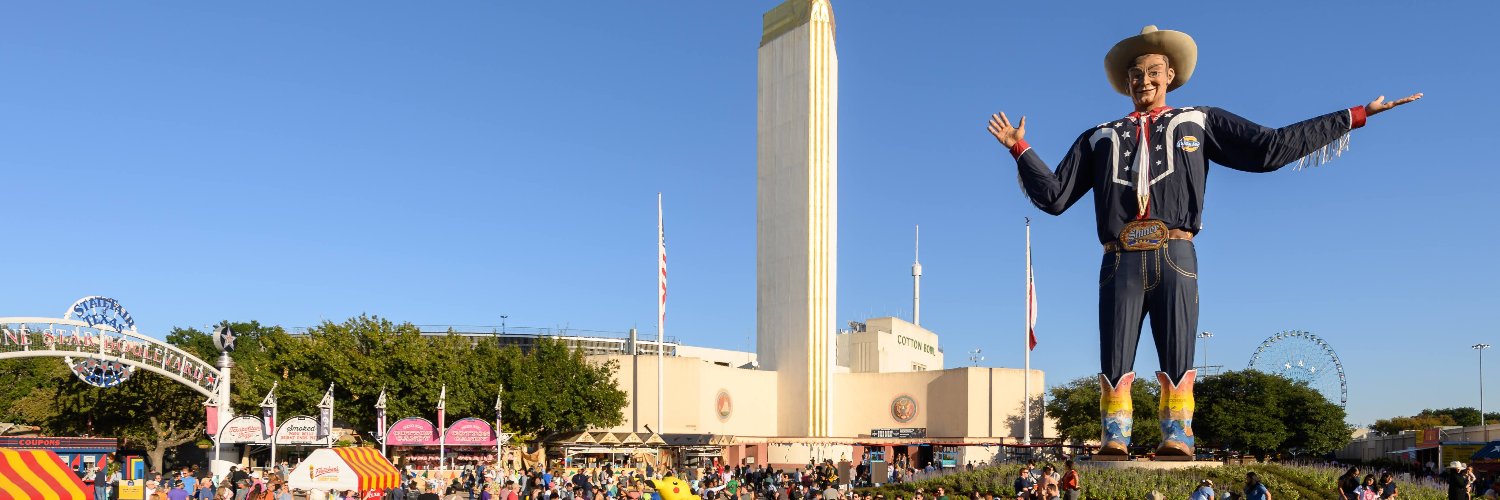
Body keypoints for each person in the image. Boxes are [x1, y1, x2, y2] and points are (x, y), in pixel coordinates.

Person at [988, 25, 1421, 458]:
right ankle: (1114, 436)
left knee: (1179, 349)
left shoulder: (1198, 119)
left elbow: (1268, 147)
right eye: (1135, 74)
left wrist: (1354, 115)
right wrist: (1019, 147)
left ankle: (1178, 434)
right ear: (1125, 83)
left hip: (1176, 251)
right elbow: (1056, 195)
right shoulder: (1100, 135)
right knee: (1114, 354)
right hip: (1120, 259)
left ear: (1171, 74)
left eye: (1153, 71)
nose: (1144, 80)